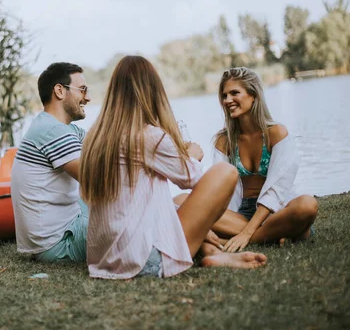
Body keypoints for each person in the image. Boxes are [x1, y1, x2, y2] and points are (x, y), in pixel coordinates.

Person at [79, 56, 267, 279]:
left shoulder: (94, 137)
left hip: (104, 260)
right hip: (144, 260)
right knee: (225, 173)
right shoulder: (147, 136)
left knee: (173, 203)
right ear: (152, 91)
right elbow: (194, 179)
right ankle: (209, 249)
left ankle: (211, 253)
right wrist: (192, 156)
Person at [211, 67, 318, 253]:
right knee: (185, 204)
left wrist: (246, 233)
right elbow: (217, 189)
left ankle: (246, 239)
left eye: (234, 93)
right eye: (224, 95)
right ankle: (277, 235)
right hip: (240, 214)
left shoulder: (276, 133)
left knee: (307, 205)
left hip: (277, 211)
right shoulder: (224, 141)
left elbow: (277, 190)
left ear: (253, 96)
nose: (227, 100)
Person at [10, 62, 91, 263]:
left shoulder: (56, 126)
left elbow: (103, 142)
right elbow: (97, 180)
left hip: (63, 225)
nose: (87, 97)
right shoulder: (52, 131)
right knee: (130, 215)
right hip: (58, 243)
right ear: (59, 91)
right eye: (82, 90)